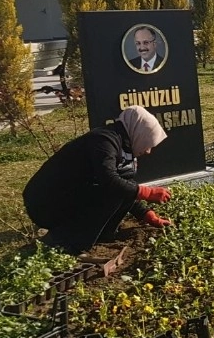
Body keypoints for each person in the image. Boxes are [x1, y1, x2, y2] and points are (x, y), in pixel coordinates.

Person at [22, 106, 173, 254]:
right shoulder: (103, 141)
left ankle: (99, 235)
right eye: (148, 142)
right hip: (45, 203)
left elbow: (125, 184)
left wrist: (146, 214)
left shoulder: (122, 145)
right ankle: (65, 241)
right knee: (115, 189)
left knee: (124, 187)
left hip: (67, 197)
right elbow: (109, 180)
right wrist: (147, 192)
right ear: (138, 132)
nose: (148, 151)